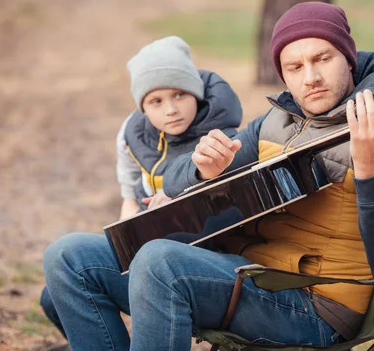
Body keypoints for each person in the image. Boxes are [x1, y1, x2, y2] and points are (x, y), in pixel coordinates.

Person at [42, 2, 374, 351]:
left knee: (160, 263)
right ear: (282, 73)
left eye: (323, 59)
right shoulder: (277, 120)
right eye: (295, 67)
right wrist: (202, 168)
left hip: (318, 305)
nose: (312, 78)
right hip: (247, 275)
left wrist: (370, 172)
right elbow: (174, 179)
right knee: (69, 257)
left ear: (348, 59)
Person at [40, 35, 243, 343]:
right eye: (156, 101)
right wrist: (131, 212)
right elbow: (129, 179)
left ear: (197, 95)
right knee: (54, 294)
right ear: (143, 107)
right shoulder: (135, 134)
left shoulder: (219, 140)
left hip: (196, 258)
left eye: (180, 95)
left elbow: (225, 211)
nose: (171, 110)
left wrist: (178, 203)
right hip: (147, 243)